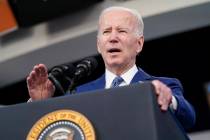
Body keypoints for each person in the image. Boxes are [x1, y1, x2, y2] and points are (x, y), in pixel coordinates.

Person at [27, 6, 195, 130]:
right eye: (106, 32)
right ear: (99, 45)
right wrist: (41, 105)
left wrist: (169, 99)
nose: (113, 38)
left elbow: (188, 119)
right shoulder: (78, 93)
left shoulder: (163, 85)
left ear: (139, 43)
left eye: (122, 31)